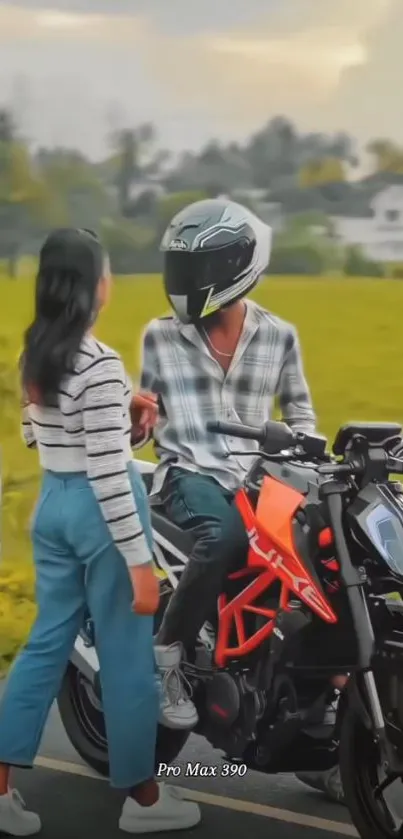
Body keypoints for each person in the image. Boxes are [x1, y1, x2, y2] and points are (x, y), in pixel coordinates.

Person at [133, 198, 345, 803]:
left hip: (259, 480)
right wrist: (136, 423)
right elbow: (150, 419)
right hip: (190, 473)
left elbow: (301, 413)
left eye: (195, 266)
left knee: (325, 570)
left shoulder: (279, 335)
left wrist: (308, 454)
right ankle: (167, 661)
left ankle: (327, 731)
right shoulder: (161, 335)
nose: (185, 280)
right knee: (221, 538)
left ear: (235, 265)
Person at [0, 228, 201, 836]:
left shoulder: (35, 355)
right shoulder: (102, 363)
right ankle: (143, 802)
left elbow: (43, 437)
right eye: (107, 272)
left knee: (44, 646)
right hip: (102, 514)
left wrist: (124, 416)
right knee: (127, 659)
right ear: (93, 288)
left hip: (55, 505)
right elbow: (112, 473)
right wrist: (141, 564)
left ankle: (2, 790)